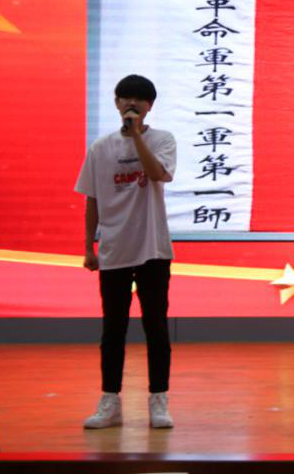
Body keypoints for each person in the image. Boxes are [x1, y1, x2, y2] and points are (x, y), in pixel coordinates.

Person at [76, 74, 177, 429]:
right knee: (113, 329)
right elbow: (92, 199)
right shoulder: (100, 148)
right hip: (114, 250)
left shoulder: (162, 139)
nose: (131, 103)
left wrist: (136, 137)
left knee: (156, 327)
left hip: (152, 248)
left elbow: (157, 174)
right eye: (125, 98)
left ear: (149, 106)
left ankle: (158, 400)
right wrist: (88, 246)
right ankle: (110, 402)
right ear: (116, 103)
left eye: (139, 99)